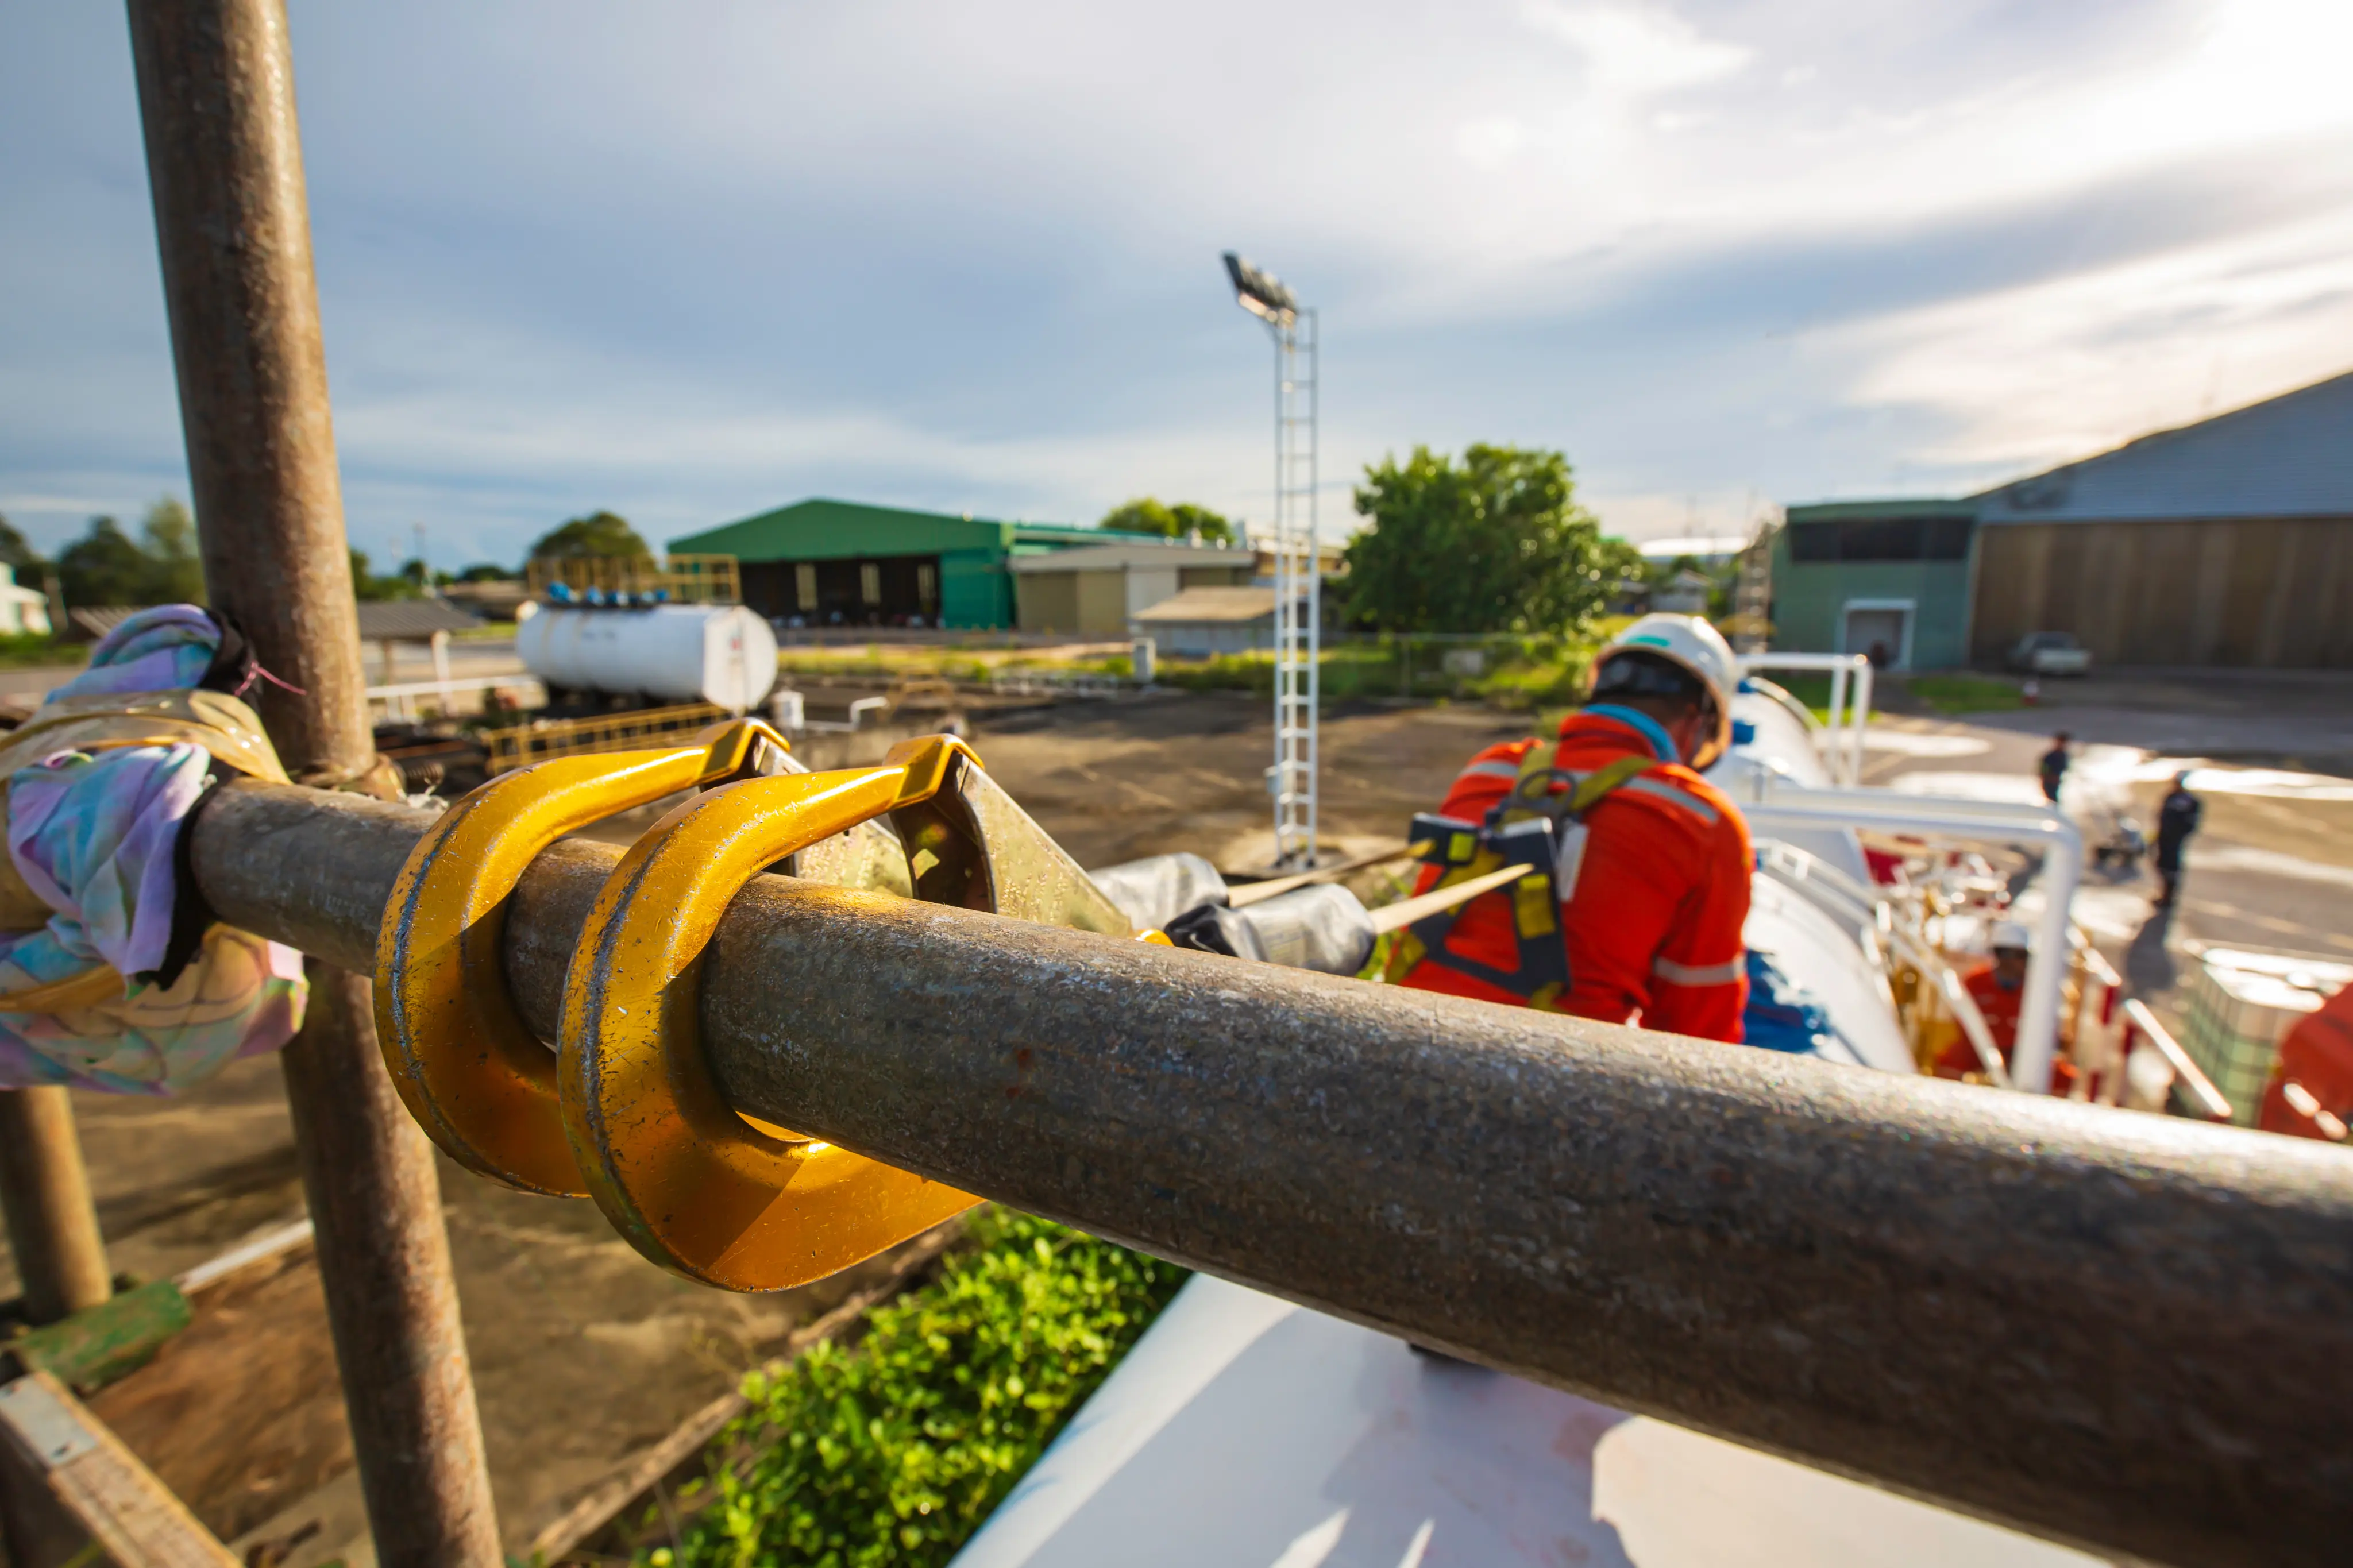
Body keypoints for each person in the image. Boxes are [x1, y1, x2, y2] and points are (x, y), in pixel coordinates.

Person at [1388, 614, 1751, 1042]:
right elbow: (1696, 1037)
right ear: (1698, 722)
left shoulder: (1492, 768)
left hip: (1397, 1039)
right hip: (1556, 1079)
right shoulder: (1703, 821)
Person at [1936, 921, 2030, 1079]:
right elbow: (1962, 1020)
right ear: (2002, 956)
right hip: (1977, 1048)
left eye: (2025, 956)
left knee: (2059, 1076)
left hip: (2019, 1053)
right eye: (2020, 956)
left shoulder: (2034, 989)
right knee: (1950, 1065)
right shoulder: (1975, 982)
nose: (2024, 962)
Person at [2153, 770, 2201, 909]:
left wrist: (2179, 835)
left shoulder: (2190, 801)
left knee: (2172, 867)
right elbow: (2162, 815)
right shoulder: (2171, 797)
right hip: (2164, 836)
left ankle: (2169, 897)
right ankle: (2164, 894)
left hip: (2175, 839)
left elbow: (2191, 822)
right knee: (2161, 864)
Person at [2038, 732, 2071, 804]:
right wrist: (2048, 777)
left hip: (2058, 782)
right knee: (2052, 801)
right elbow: (2044, 769)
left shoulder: (2063, 756)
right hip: (2049, 782)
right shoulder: (2051, 756)